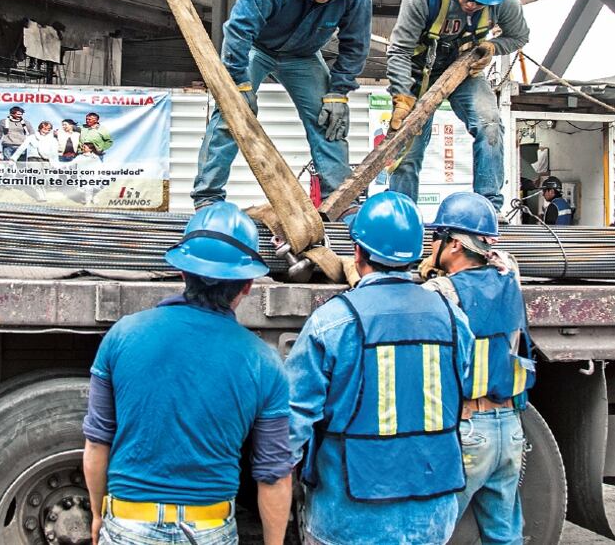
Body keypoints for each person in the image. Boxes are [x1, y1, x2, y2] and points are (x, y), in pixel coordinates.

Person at [83, 202, 293, 545]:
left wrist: (96, 514)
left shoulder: (122, 336)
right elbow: (274, 477)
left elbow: (97, 442)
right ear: (248, 285)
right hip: (209, 527)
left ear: (182, 272)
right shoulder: (264, 362)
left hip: (129, 525)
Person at [287, 190, 473, 545]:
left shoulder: (333, 322)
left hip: (348, 519)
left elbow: (293, 424)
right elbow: (458, 386)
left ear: (357, 253)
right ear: (418, 253)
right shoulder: (453, 319)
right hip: (432, 520)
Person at [191, 0, 372, 209]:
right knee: (232, 111)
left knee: (329, 120)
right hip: (257, 47)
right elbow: (238, 32)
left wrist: (339, 92)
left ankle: (338, 200)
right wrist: (239, 82)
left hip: (304, 55)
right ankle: (208, 197)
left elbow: (356, 45)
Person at [418, 192, 534, 545]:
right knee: (504, 535)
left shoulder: (441, 290)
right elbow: (506, 262)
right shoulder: (509, 280)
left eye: (436, 238)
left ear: (453, 244)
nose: (431, 246)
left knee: (431, 530)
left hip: (470, 431)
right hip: (510, 430)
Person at [385, 0, 530, 213]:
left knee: (490, 125)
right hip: (418, 74)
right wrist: (402, 97)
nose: (473, 5)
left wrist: (492, 47)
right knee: (408, 147)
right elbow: (400, 51)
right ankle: (400, 213)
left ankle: (489, 208)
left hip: (465, 70)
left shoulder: (504, 2)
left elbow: (519, 36)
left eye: (482, 1)